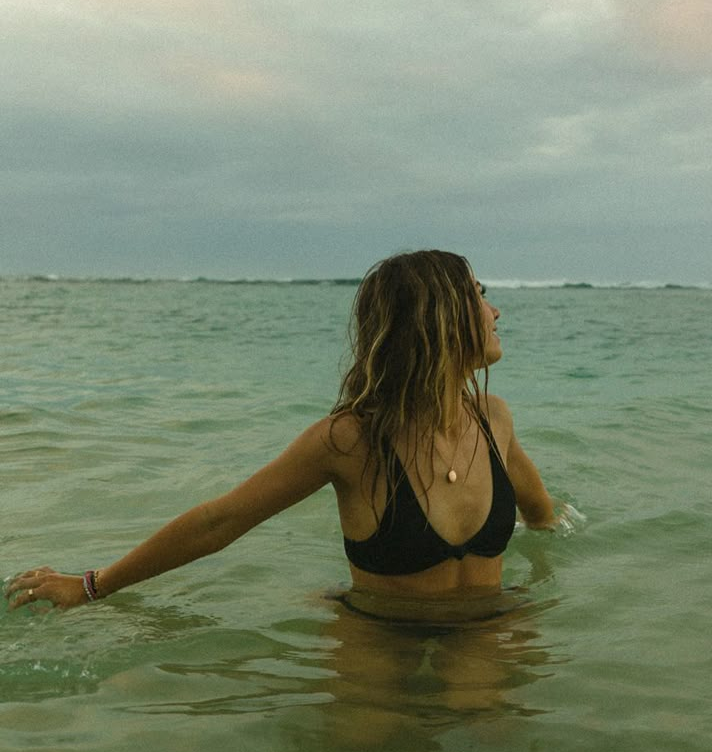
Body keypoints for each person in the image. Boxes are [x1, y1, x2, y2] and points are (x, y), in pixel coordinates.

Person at [4, 250, 557, 621]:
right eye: (480, 295)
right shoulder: (348, 441)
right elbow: (220, 522)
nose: (495, 310)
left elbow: (540, 513)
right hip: (377, 634)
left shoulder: (494, 420)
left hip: (488, 630)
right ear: (437, 319)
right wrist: (91, 586)